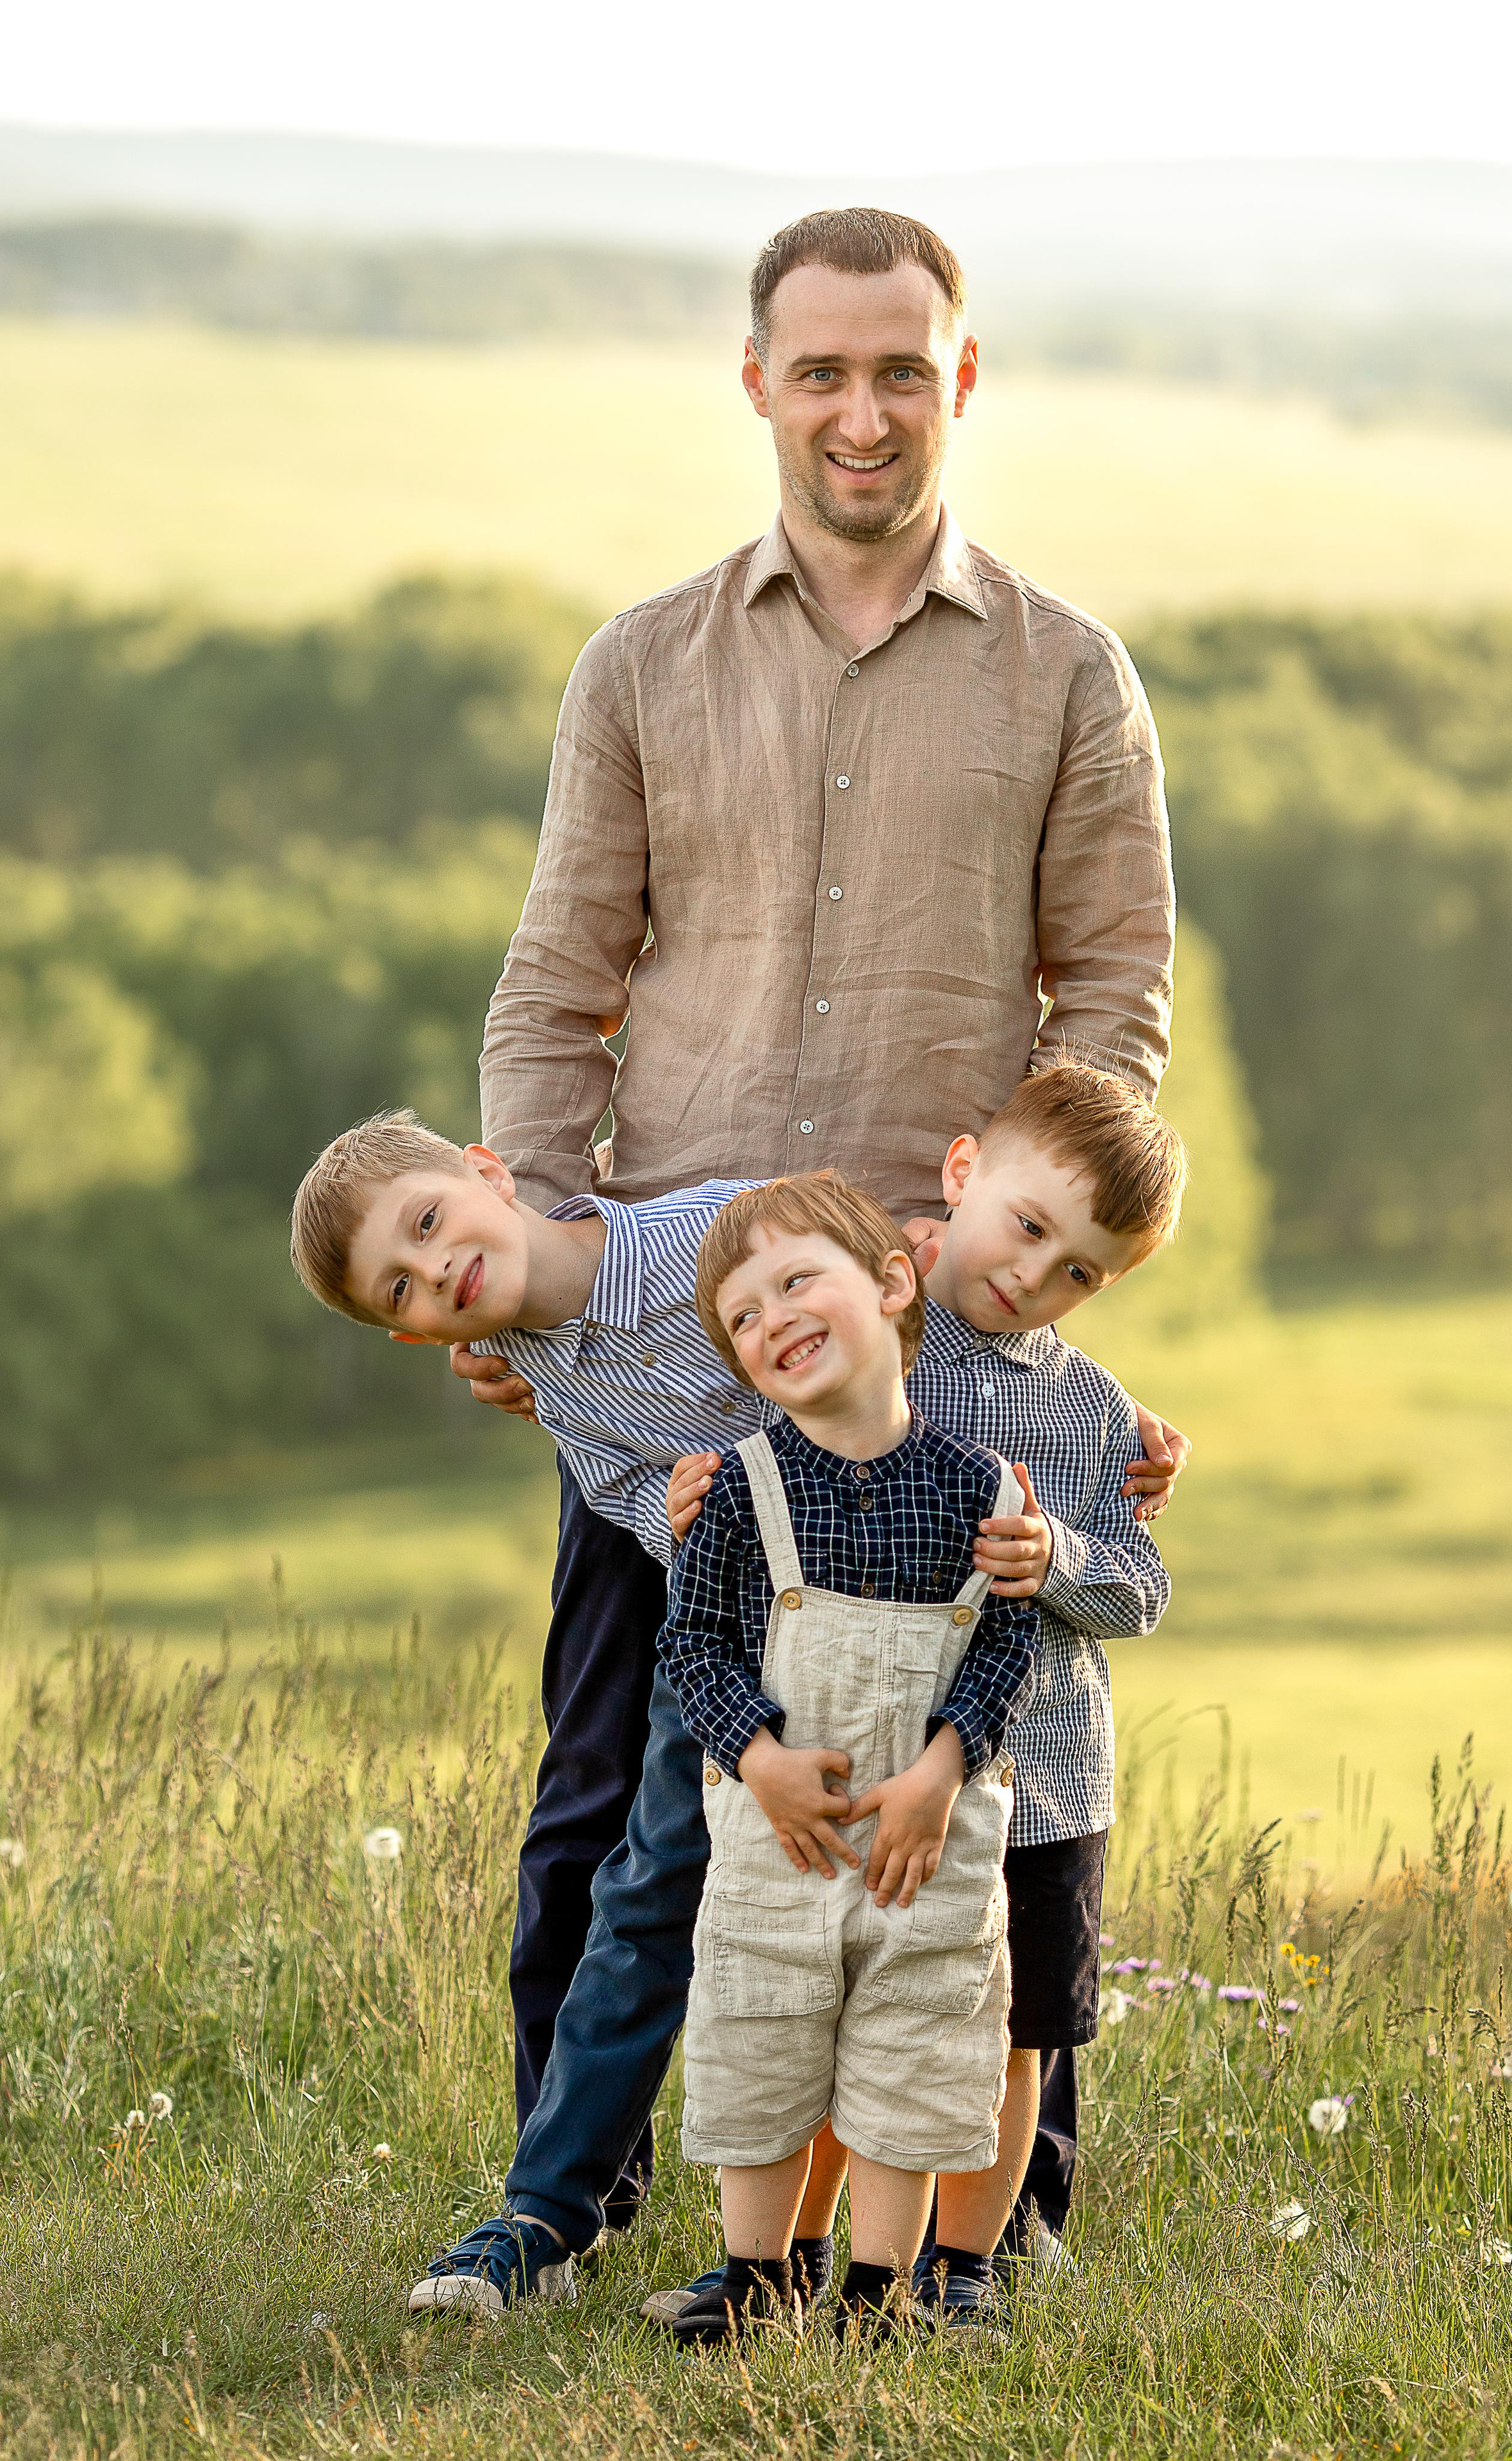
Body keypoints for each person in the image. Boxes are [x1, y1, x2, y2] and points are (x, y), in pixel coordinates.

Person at [452, 201, 1181, 2264]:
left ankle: (986, 2210)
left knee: (991, 1778)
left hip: (929, 1338)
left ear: (958, 384)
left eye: (900, 370)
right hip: (680, 1334)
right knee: (615, 1786)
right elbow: (552, 992)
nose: (861, 410)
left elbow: (1112, 1007)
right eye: (822, 369)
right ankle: (560, 2197)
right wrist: (537, 1256)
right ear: (760, 383)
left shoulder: (1066, 675)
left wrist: (1031, 1289)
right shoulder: (642, 665)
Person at [284, 1063, 1181, 2319]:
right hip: (750, 1642)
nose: (435, 1271)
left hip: (912, 1639)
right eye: (403, 1285)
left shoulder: (715, 1228)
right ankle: (563, 2218)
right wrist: (681, 1516)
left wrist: (1102, 1405)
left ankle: (954, 2259)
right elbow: (632, 1501)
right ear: (410, 1335)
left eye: (429, 1226)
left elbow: (923, 1311)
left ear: (488, 1173)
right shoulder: (545, 1379)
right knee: (662, 1896)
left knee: (922, 1957)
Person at [660, 1173, 1039, 2346]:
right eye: (741, 1316)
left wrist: (943, 1772)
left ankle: (879, 2290)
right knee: (761, 2034)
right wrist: (756, 1759)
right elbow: (693, 1641)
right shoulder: (739, 1492)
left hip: (924, 1839)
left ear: (889, 1285)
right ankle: (755, 2275)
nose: (769, 1319)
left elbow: (1006, 1641)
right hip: (787, 1835)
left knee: (917, 2046)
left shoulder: (975, 1485)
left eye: (793, 1281)